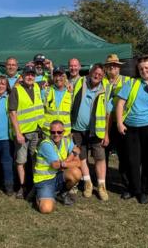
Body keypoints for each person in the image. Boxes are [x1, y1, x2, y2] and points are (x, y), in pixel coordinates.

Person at [116, 56, 148, 204]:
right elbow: (120, 104)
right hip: (131, 128)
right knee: (132, 161)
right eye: (141, 68)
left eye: (146, 68)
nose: (144, 70)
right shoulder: (131, 83)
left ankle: (146, 190)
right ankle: (133, 189)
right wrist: (120, 123)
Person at [70, 64, 110, 200]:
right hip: (76, 128)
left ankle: (101, 186)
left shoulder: (106, 88)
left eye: (100, 74)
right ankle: (87, 183)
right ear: (90, 72)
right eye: (95, 73)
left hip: (96, 130)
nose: (97, 75)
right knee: (81, 157)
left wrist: (106, 133)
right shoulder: (79, 82)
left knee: (100, 158)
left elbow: (107, 113)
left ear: (103, 76)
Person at [9, 66, 45, 199]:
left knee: (36, 160)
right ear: (22, 76)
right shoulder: (16, 90)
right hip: (23, 134)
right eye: (27, 75)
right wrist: (18, 133)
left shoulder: (37, 86)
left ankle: (36, 185)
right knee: (21, 161)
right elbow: (12, 113)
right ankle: (22, 186)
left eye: (32, 75)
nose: (30, 77)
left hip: (37, 131)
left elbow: (55, 80)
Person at [34, 120, 82, 214]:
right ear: (49, 132)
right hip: (44, 181)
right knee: (46, 209)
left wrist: (64, 163)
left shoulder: (67, 141)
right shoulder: (46, 144)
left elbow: (78, 163)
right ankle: (39, 195)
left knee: (77, 173)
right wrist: (72, 154)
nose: (56, 134)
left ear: (63, 132)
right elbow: (55, 165)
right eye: (53, 132)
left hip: (58, 176)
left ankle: (62, 194)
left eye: (59, 132)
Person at [102, 53, 132, 198]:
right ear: (106, 68)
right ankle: (103, 181)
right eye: (109, 66)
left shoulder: (128, 81)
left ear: (119, 67)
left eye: (115, 65)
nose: (112, 68)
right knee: (103, 152)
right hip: (105, 123)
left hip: (122, 123)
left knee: (124, 154)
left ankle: (126, 183)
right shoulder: (101, 82)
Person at [43, 66, 72, 137]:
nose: (58, 78)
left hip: (64, 134)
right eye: (55, 76)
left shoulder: (71, 93)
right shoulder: (45, 91)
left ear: (65, 77)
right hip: (48, 133)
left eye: (61, 76)